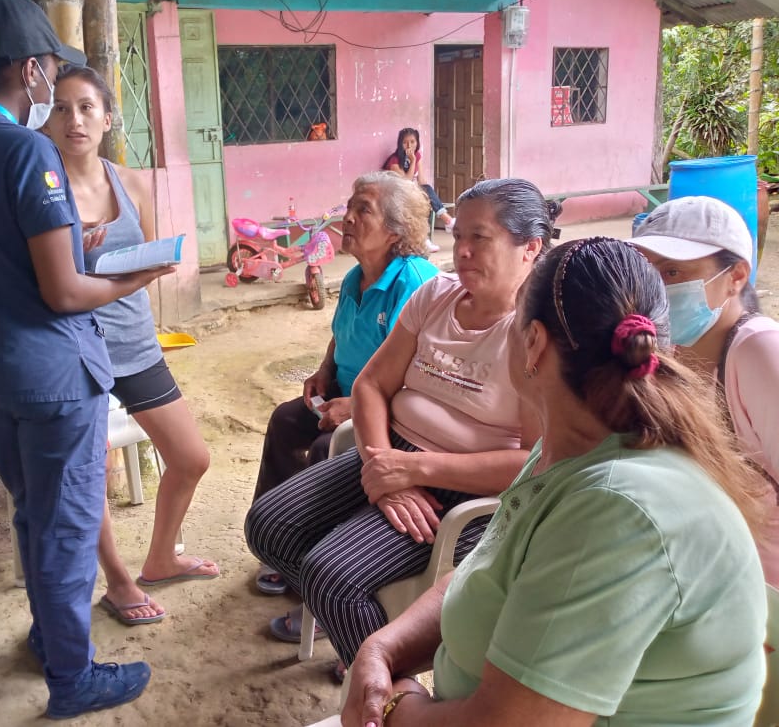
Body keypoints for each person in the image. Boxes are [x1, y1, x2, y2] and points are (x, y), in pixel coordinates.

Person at [343, 237, 769, 727]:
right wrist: (382, 647)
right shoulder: (566, 450)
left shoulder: (618, 510)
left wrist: (396, 707)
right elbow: (483, 572)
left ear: (533, 343)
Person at [0, 0, 170, 719]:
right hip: (51, 374)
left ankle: (49, 638)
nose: (54, 86)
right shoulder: (29, 151)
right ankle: (73, 678)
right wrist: (135, 275)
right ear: (31, 71)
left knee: (35, 512)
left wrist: (43, 257)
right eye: (52, 71)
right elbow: (63, 293)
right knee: (65, 526)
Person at [245, 178, 558, 676]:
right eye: (458, 235)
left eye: (480, 238)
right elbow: (371, 385)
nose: (462, 250)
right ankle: (362, 637)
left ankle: (388, 689)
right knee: (268, 527)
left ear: (531, 248)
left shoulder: (534, 334)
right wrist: (383, 469)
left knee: (332, 576)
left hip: (463, 488)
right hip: (389, 454)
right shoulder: (436, 294)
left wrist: (413, 470)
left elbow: (533, 462)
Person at [42, 65, 218, 625]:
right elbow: (44, 281)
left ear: (107, 118)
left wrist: (141, 263)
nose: (74, 120)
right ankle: (118, 582)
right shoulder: (42, 190)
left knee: (190, 457)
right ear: (47, 120)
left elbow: (147, 255)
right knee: (88, 475)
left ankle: (162, 558)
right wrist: (76, 252)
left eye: (86, 107)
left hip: (135, 343)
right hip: (76, 351)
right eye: (61, 108)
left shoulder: (132, 183)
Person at [251, 171, 439, 596]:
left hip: (390, 407)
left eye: (363, 210)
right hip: (347, 393)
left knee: (326, 449)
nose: (347, 218)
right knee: (285, 421)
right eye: (349, 207)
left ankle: (314, 571)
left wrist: (354, 407)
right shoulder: (357, 276)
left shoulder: (412, 281)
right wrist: (324, 370)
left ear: (394, 231)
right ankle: (277, 548)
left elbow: (419, 373)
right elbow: (341, 332)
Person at [630, 196, 779, 586]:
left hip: (763, 590)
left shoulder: (759, 351)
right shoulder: (666, 353)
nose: (655, 287)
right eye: (646, 270)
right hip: (705, 578)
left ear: (736, 276)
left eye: (672, 271)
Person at [383, 128, 452, 251]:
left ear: (417, 142)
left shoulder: (417, 155)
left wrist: (424, 196)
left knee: (426, 191)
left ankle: (444, 222)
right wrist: (413, 161)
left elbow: (421, 181)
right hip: (394, 194)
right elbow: (406, 182)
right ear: (400, 144)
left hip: (409, 192)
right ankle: (427, 237)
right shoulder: (394, 160)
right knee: (415, 204)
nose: (409, 145)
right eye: (405, 142)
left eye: (412, 142)